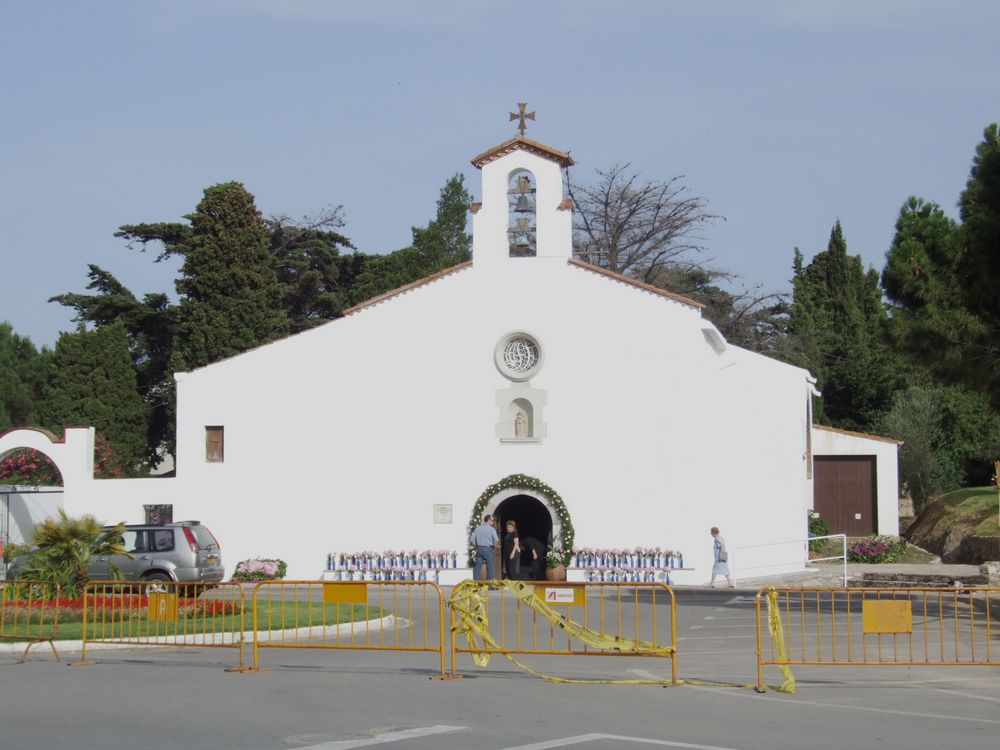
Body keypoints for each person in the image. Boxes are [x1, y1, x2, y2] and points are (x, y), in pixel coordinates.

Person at [470, 514, 499, 581]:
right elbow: (496, 540)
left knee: (477, 568)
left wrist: (476, 546)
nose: (493, 522)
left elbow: (471, 540)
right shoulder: (492, 529)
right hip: (488, 549)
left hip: (479, 549)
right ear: (488, 520)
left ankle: (476, 584)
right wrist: (494, 548)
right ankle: (490, 585)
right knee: (490, 568)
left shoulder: (478, 528)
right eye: (492, 520)